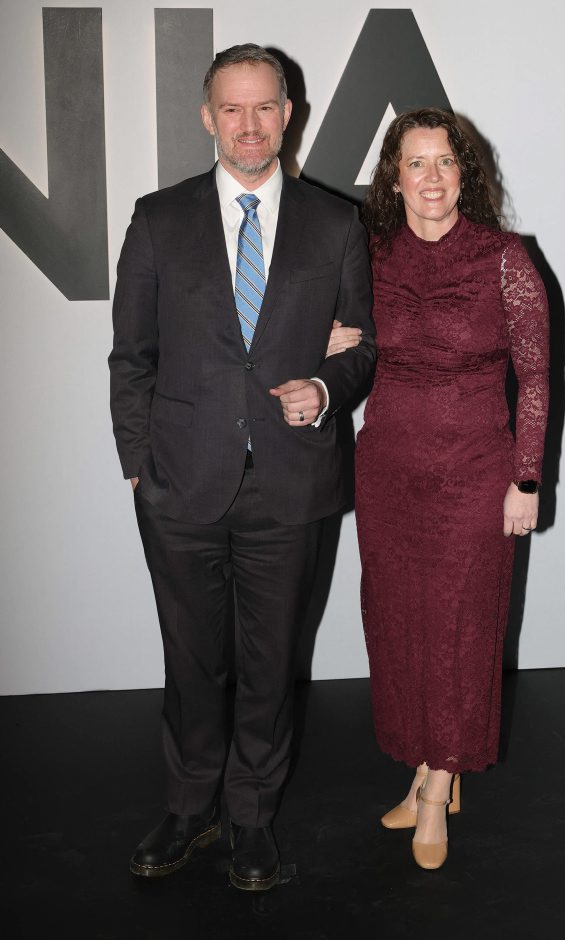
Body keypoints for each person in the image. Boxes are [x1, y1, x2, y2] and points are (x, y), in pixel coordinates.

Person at [108, 44, 375, 891]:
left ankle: (252, 816)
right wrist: (139, 466)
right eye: (233, 108)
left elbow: (363, 350)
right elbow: (132, 356)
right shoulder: (158, 219)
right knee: (191, 660)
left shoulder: (336, 224)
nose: (249, 124)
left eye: (265, 107)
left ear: (288, 114)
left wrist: (325, 389)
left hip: (290, 485)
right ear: (207, 117)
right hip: (181, 483)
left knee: (271, 664)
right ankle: (190, 805)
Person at [351, 108, 549, 870]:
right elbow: (348, 347)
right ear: (394, 178)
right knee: (401, 624)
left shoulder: (504, 259)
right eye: (415, 163)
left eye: (445, 162)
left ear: (466, 174)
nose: (431, 177)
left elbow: (536, 378)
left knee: (461, 628)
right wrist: (332, 339)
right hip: (388, 473)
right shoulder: (370, 257)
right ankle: (424, 765)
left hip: (474, 473)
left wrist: (525, 478)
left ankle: (439, 789)